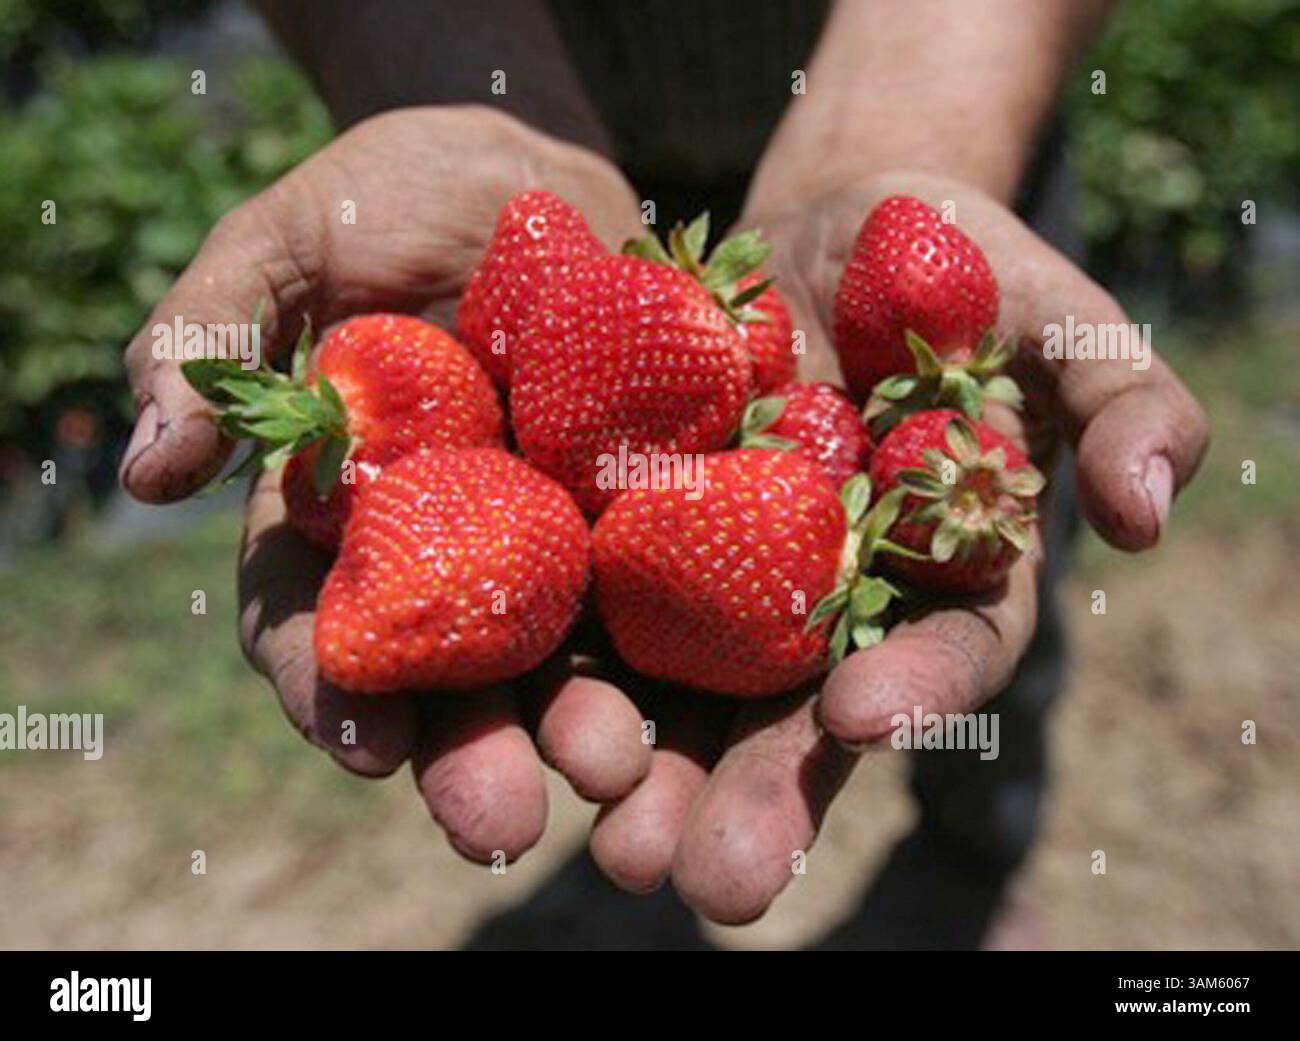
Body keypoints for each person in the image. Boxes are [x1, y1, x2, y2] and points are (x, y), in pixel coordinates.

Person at [119, 0, 1208, 944]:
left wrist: (893, 133)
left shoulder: (807, 451)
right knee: (642, 779)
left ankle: (971, 866)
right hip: (527, 126)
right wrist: (458, 93)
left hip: (939, 107)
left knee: (993, 614)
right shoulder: (550, 339)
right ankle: (654, 907)